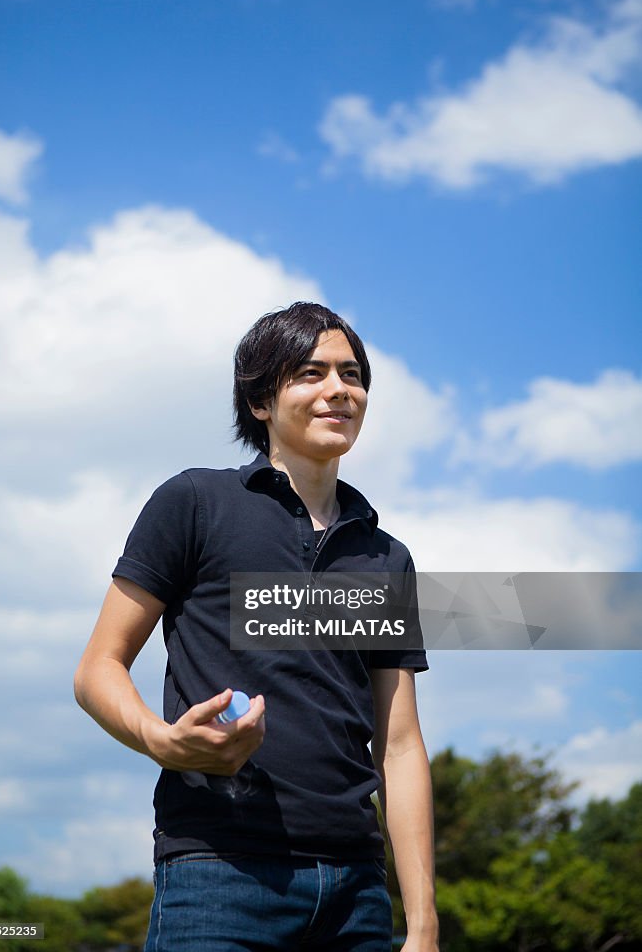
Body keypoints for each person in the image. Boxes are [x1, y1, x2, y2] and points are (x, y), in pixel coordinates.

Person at [74, 301, 438, 952]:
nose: (338, 389)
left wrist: (423, 926)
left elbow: (400, 745)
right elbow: (97, 667)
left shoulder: (385, 557)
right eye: (310, 372)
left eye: (352, 375)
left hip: (356, 894)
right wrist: (161, 740)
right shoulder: (194, 503)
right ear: (261, 401)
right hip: (219, 873)